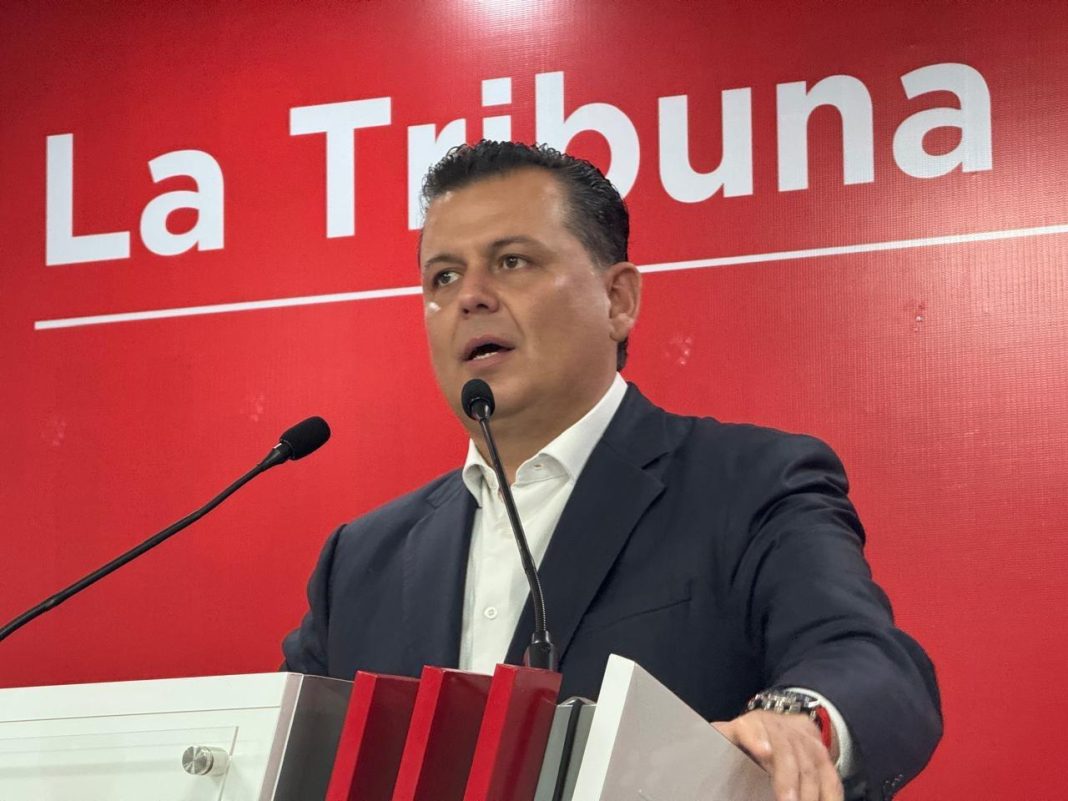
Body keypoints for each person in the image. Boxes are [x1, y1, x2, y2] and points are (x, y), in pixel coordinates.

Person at [282, 141, 941, 801]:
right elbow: (280, 752)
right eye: (444, 277)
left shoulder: (750, 483)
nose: (471, 297)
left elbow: (867, 661)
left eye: (512, 262)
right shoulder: (360, 560)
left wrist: (797, 721)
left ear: (618, 300)